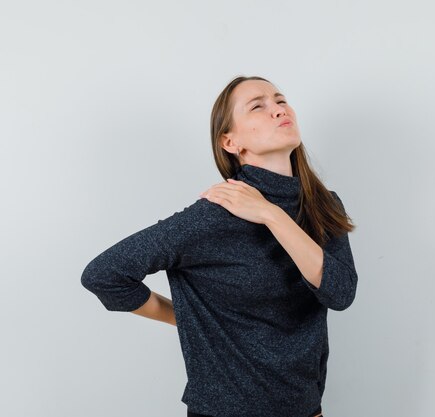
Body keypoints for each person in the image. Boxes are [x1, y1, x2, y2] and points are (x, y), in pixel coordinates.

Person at [81, 75, 358, 417]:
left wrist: (270, 214)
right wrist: (187, 320)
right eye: (258, 106)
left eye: (281, 100)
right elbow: (104, 275)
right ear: (230, 141)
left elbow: (340, 293)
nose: (277, 109)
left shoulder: (323, 205)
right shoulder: (213, 217)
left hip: (306, 408)